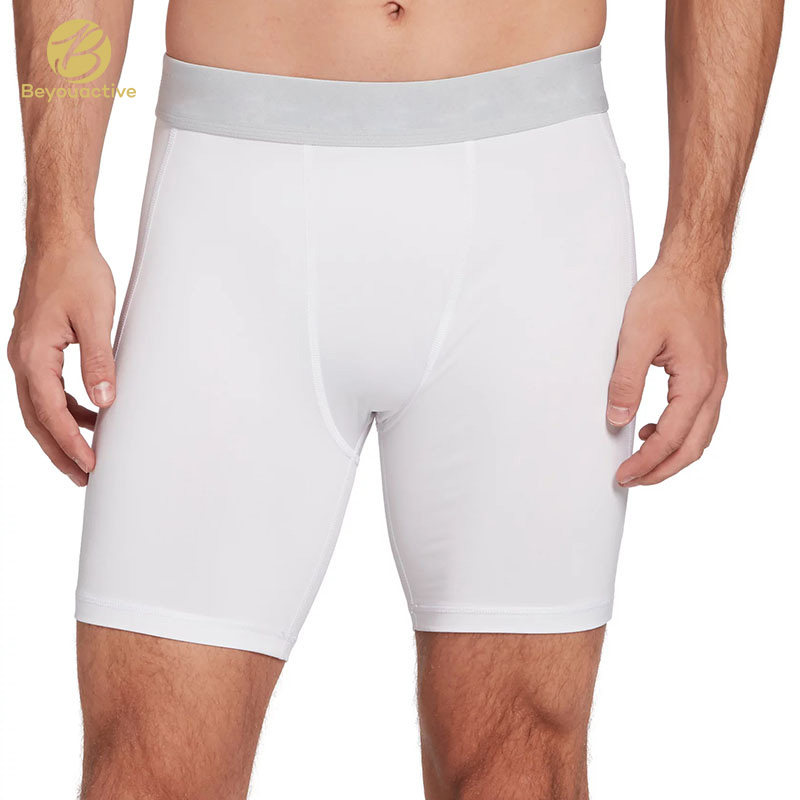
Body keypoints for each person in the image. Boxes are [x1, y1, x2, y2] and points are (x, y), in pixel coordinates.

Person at [8, 1, 784, 797]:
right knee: (147, 767)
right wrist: (57, 226)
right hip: (229, 211)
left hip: (534, 212)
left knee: (521, 762)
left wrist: (699, 257)